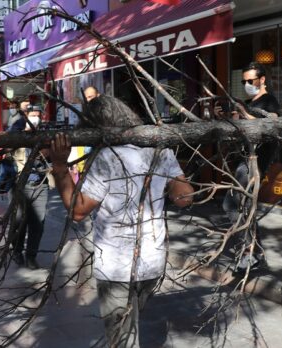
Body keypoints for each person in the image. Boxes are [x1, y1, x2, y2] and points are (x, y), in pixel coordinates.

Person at [48, 95, 194, 347]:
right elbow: (185, 198)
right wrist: (162, 180)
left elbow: (78, 211)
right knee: (132, 323)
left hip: (116, 265)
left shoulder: (106, 157)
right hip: (152, 260)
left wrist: (60, 166)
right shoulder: (160, 147)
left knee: (120, 338)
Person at [222, 62, 281, 274]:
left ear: (262, 79)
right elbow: (241, 128)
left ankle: (250, 254)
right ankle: (253, 254)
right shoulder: (249, 102)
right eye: (244, 81)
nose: (247, 84)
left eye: (251, 80)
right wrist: (229, 117)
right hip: (245, 159)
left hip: (255, 161)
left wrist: (244, 114)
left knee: (233, 205)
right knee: (242, 207)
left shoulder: (269, 101)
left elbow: (271, 124)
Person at [10, 106, 49, 270]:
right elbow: (8, 143)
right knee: (19, 221)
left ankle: (31, 256)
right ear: (26, 115)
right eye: (32, 115)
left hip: (40, 183)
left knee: (38, 224)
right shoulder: (17, 126)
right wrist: (24, 133)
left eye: (37, 115)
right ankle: (17, 251)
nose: (35, 118)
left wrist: (48, 152)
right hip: (21, 183)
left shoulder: (46, 130)